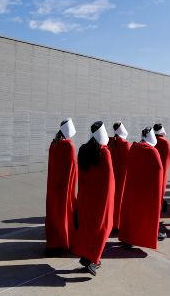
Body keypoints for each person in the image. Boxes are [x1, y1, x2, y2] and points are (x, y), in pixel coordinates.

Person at [73, 121, 115, 276]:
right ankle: (92, 259)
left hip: (85, 196)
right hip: (100, 199)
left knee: (87, 228)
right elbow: (109, 181)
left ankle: (86, 256)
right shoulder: (104, 153)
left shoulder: (83, 150)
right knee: (102, 228)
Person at [118, 127, 164, 250]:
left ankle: (128, 238)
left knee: (132, 215)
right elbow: (159, 171)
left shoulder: (134, 148)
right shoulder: (153, 151)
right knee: (145, 216)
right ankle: (145, 237)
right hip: (147, 190)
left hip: (132, 188)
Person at [45, 118, 78, 256]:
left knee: (54, 212)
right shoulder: (68, 146)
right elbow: (73, 168)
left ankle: (53, 241)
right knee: (64, 212)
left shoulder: (54, 143)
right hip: (65, 187)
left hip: (54, 185)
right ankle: (64, 241)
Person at [108, 122, 131, 233]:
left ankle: (112, 222)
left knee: (113, 199)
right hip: (122, 175)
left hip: (113, 175)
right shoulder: (125, 144)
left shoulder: (111, 141)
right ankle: (117, 224)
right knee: (120, 199)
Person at [153, 123, 170, 240]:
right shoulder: (165, 142)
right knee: (157, 203)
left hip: (151, 176)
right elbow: (167, 161)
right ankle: (155, 229)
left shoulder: (151, 141)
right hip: (161, 176)